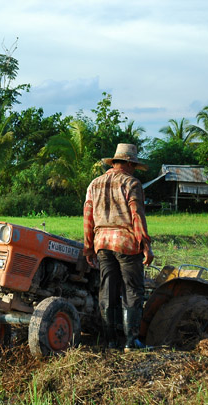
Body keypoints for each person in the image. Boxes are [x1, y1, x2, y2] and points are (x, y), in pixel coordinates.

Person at [83, 143, 154, 352]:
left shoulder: (94, 184)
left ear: (114, 162)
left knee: (108, 290)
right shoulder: (131, 183)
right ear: (130, 164)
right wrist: (145, 245)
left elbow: (88, 218)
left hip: (102, 244)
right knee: (132, 290)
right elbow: (137, 216)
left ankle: (111, 340)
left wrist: (88, 247)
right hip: (126, 243)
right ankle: (131, 341)